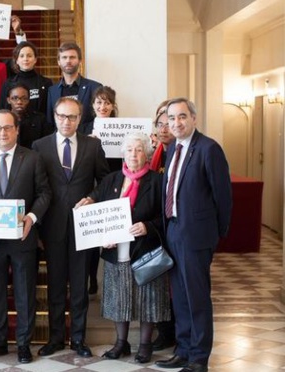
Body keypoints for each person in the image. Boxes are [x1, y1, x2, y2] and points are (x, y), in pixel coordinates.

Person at [75, 132, 171, 364]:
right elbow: (96, 201)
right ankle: (121, 343)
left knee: (148, 300)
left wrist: (148, 226)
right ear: (123, 153)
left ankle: (145, 345)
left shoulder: (158, 181)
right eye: (129, 150)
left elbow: (167, 217)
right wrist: (89, 203)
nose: (134, 154)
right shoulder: (112, 179)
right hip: (116, 252)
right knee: (119, 299)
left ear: (146, 153)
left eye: (138, 149)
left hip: (145, 252)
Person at [0, 110, 51, 364]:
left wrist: (32, 218)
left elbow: (45, 193)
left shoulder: (33, 158)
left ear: (16, 130)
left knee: (25, 292)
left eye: (7, 128)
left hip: (23, 238)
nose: (2, 133)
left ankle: (23, 344)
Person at [155, 98, 232, 372]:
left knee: (197, 297)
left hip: (196, 236)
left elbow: (223, 196)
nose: (176, 123)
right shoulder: (174, 147)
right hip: (174, 231)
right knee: (181, 297)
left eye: (182, 117)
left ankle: (199, 357)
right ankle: (183, 349)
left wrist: (216, 234)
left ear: (194, 119)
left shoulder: (209, 149)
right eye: (171, 118)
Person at [31, 97, 109, 358]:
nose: (67, 121)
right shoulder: (39, 146)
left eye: (72, 117)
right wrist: (37, 227)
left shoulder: (93, 145)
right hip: (52, 228)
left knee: (79, 287)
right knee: (54, 287)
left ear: (80, 118)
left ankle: (78, 339)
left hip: (83, 228)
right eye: (62, 116)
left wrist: (94, 198)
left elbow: (105, 181)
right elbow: (36, 189)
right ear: (54, 116)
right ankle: (55, 338)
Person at [149, 100, 178, 352]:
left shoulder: (182, 151)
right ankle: (165, 332)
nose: (164, 127)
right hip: (157, 228)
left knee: (177, 283)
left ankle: (180, 332)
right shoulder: (156, 152)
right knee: (160, 281)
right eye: (159, 123)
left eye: (168, 122)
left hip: (178, 228)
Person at [88, 85, 120, 296]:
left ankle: (114, 283)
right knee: (91, 238)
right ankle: (92, 279)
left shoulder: (123, 127)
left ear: (113, 106)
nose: (103, 106)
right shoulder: (84, 128)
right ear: (92, 105)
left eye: (107, 102)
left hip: (116, 186)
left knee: (113, 237)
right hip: (92, 189)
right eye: (99, 102)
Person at [47, 42, 102, 135]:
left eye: (72, 57)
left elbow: (100, 119)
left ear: (80, 61)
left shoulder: (95, 88)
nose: (68, 61)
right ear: (58, 62)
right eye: (64, 57)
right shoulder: (52, 91)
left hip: (87, 142)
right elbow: (50, 122)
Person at [0, 41, 53, 115]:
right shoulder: (8, 84)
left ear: (35, 59)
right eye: (22, 56)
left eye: (29, 56)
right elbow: (2, 111)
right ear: (16, 60)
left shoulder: (46, 83)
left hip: (39, 125)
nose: (26, 59)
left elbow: (50, 111)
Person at [6, 83, 53, 149]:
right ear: (8, 100)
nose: (19, 102)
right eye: (15, 98)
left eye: (24, 98)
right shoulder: (3, 120)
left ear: (28, 100)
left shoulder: (39, 120)